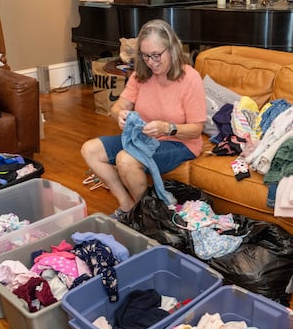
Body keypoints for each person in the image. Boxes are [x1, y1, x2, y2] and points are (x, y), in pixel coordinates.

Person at [80, 19, 206, 221]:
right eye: (145, 56)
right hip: (143, 139)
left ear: (171, 48)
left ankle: (149, 217)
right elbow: (118, 106)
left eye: (156, 55)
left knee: (125, 159)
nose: (151, 61)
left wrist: (167, 128)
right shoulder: (141, 75)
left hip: (180, 143)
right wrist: (119, 114)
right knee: (90, 150)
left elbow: (196, 130)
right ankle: (128, 206)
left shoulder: (190, 78)